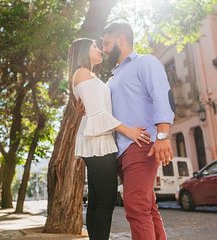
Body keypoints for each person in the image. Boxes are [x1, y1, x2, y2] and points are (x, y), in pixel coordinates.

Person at [69, 38, 151, 240]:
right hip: (98, 142)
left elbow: (93, 109)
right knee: (106, 200)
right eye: (94, 47)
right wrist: (129, 131)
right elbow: (98, 114)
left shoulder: (88, 74)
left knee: (98, 200)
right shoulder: (83, 72)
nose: (99, 50)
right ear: (83, 52)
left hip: (99, 141)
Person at [100, 22, 174, 240]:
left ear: (121, 40)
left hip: (141, 144)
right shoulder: (112, 79)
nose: (104, 50)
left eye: (106, 43)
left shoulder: (145, 62)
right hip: (120, 151)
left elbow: (161, 96)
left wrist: (162, 136)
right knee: (147, 207)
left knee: (135, 207)